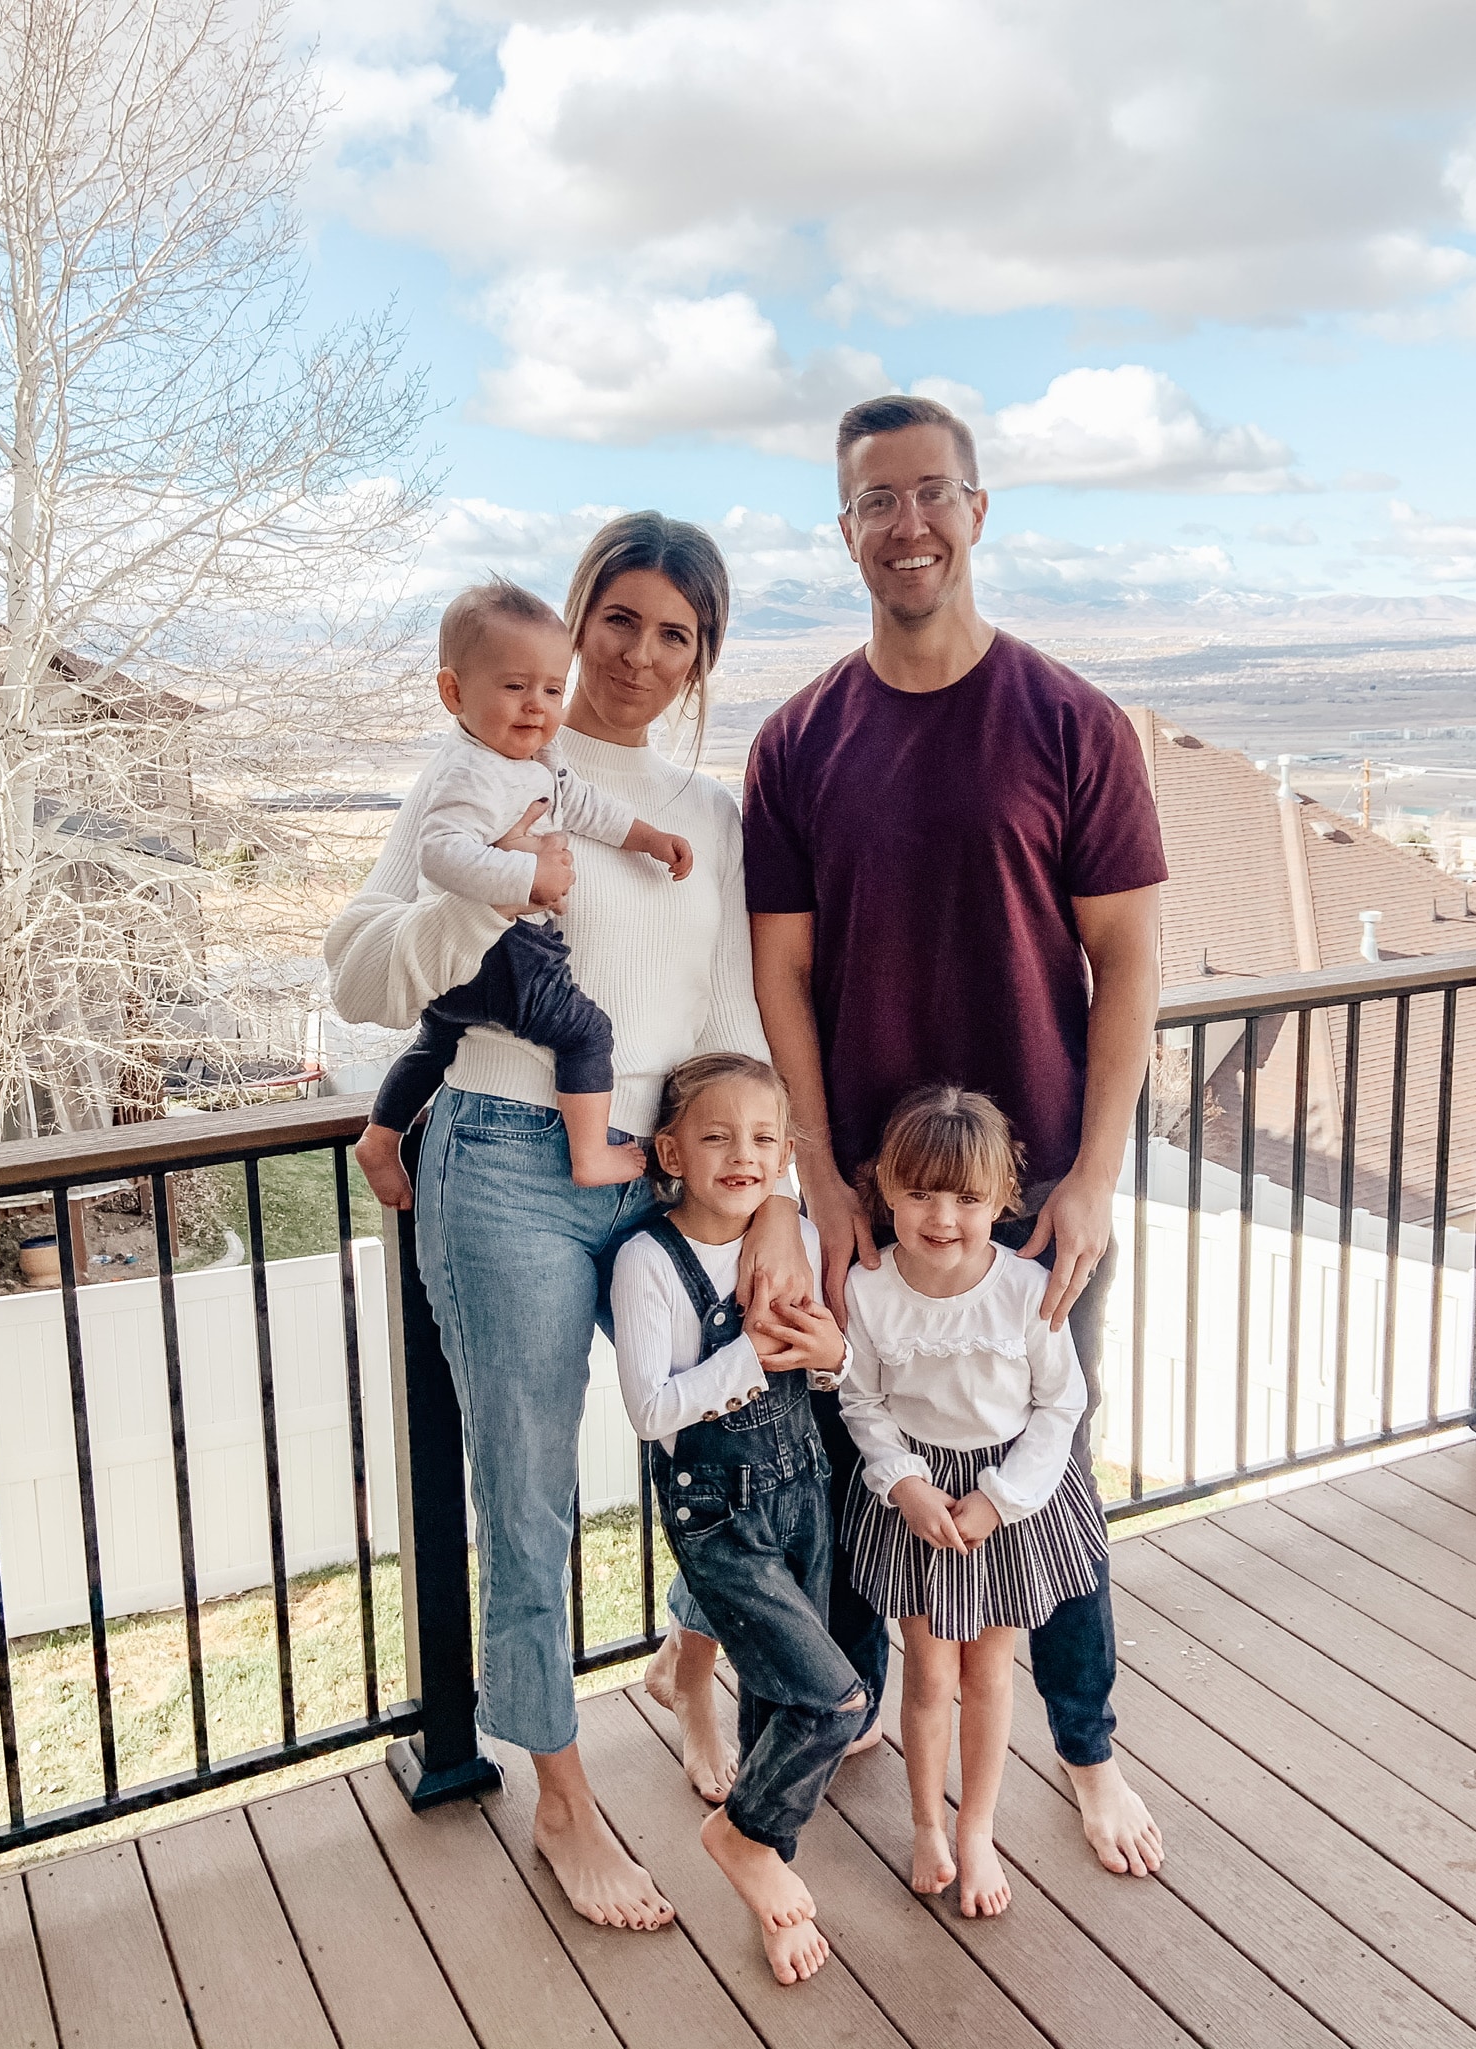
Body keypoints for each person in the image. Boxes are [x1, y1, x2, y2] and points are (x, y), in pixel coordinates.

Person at [324, 512, 811, 1933]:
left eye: (678, 635)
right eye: (621, 620)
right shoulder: (478, 775)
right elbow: (359, 968)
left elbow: (728, 1014)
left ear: (701, 657)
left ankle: (692, 1673)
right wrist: (476, 916)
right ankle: (563, 1798)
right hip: (505, 1154)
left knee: (734, 1436)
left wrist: (763, 1193)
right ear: (574, 618)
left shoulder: (704, 817)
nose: (640, 657)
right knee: (528, 1494)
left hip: (676, 1165)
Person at [745, 392, 1168, 1878]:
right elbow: (781, 973)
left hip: (1034, 1193)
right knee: (873, 1456)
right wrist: (817, 1180)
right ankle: (871, 1702)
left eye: (932, 493)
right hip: (871, 1198)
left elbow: (1130, 962)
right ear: (845, 529)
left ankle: (1086, 1748)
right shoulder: (797, 742)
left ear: (976, 511)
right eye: (876, 501)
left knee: (1051, 1474)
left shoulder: (1073, 722)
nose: (906, 524)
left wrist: (1098, 1177)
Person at [611, 1053, 859, 1984]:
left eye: (762, 1138)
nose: (741, 1155)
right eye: (715, 1136)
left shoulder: (778, 1235)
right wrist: (750, 1356)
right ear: (671, 1149)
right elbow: (648, 1410)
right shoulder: (648, 1260)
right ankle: (742, 1835)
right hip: (717, 1513)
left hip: (802, 1486)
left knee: (777, 1699)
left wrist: (828, 1354)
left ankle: (768, 1879)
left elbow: (826, 1368)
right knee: (835, 1698)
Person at [840, 1087, 1106, 1914]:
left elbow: (1060, 1404)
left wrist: (998, 1499)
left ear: (1001, 1200)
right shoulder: (870, 1288)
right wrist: (905, 1484)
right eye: (919, 1191)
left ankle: (976, 1829)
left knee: (989, 1671)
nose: (942, 1216)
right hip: (916, 1497)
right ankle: (926, 1820)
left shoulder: (1026, 1290)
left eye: (966, 1197)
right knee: (927, 1673)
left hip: (1005, 1503)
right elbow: (861, 1402)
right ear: (885, 1189)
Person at [354, 578, 693, 1200]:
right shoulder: (466, 770)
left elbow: (590, 808)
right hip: (504, 953)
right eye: (514, 687)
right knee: (585, 1032)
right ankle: (590, 1153)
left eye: (551, 689)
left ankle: (381, 1136)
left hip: (463, 971)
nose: (536, 707)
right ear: (454, 691)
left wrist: (647, 837)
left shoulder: (536, 760)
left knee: (436, 1039)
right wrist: (526, 877)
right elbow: (442, 853)